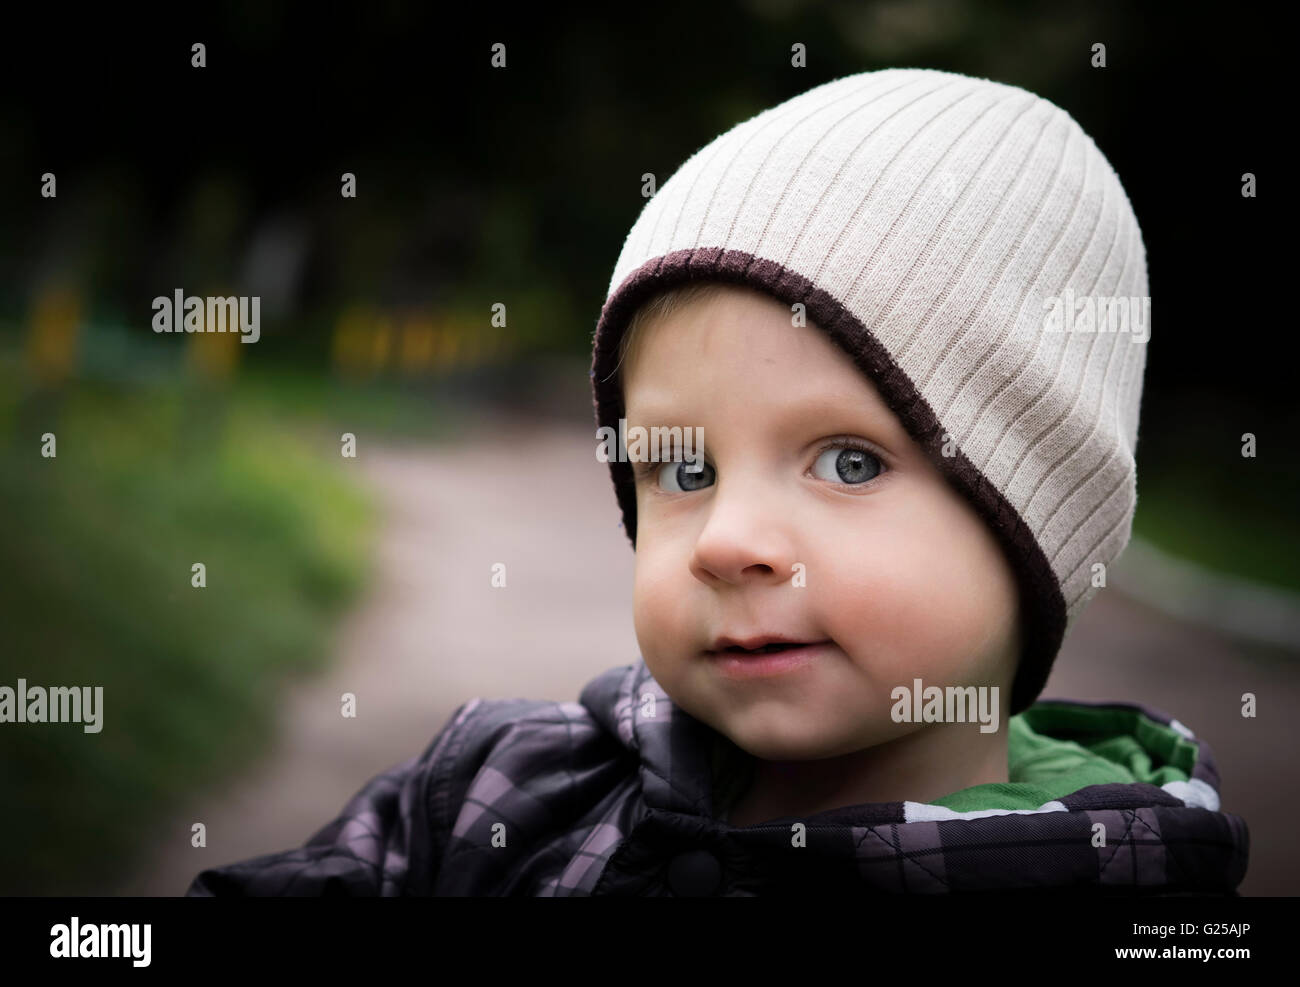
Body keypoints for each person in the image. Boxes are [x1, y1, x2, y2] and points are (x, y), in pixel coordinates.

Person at [187, 67, 1248, 896]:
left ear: (1039, 520)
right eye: (683, 468)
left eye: (849, 462)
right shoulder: (500, 794)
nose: (724, 541)